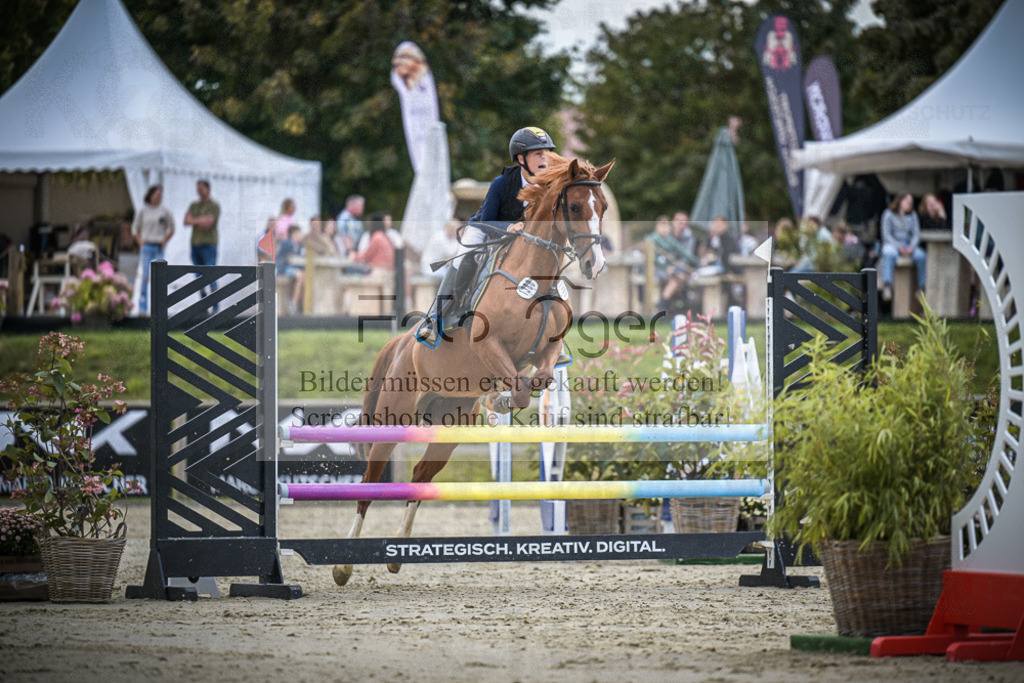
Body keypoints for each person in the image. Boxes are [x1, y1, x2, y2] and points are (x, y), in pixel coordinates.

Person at [415, 126, 555, 346]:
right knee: (462, 257)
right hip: (484, 229)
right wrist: (507, 227)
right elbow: (485, 220)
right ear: (521, 158)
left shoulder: (549, 187)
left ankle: (554, 336)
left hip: (522, 239)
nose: (545, 158)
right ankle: (434, 318)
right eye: (538, 153)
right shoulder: (501, 184)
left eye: (547, 153)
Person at [131, 184, 174, 314]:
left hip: (159, 246)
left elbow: (171, 228)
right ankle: (142, 307)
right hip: (147, 246)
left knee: (159, 278)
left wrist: (165, 241)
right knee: (145, 275)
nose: (159, 196)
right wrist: (140, 242)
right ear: (151, 195)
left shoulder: (164, 211)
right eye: (157, 194)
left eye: (161, 194)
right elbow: (135, 228)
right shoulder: (143, 211)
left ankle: (159, 307)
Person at [879, 192, 926, 302]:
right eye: (907, 201)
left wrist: (912, 247)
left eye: (911, 203)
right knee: (888, 252)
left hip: (908, 245)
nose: (909, 204)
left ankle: (921, 287)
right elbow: (886, 235)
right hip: (892, 244)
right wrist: (897, 246)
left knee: (922, 255)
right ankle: (887, 285)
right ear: (900, 200)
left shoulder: (913, 215)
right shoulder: (888, 214)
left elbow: (916, 234)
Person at [646, 215, 698, 311]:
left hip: (667, 269)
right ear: (657, 227)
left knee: (682, 276)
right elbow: (653, 258)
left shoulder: (669, 239)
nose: (664, 229)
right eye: (662, 226)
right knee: (678, 277)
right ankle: (664, 304)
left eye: (666, 226)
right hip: (653, 269)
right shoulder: (651, 239)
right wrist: (666, 267)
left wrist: (698, 262)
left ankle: (670, 302)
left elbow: (683, 252)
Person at [184, 179, 220, 304]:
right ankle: (203, 304)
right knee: (198, 277)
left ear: (208, 189)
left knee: (210, 274)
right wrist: (200, 220)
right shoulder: (194, 205)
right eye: (197, 189)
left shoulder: (214, 206)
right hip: (195, 244)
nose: (199, 191)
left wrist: (194, 220)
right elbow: (186, 221)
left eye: (201, 189)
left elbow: (208, 223)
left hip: (209, 244)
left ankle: (215, 304)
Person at [276, 224, 306, 315]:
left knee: (304, 277)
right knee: (300, 276)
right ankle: (293, 303)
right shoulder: (286, 243)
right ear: (294, 234)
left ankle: (302, 306)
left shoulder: (300, 245)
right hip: (283, 268)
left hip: (293, 268)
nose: (302, 235)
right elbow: (286, 260)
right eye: (300, 233)